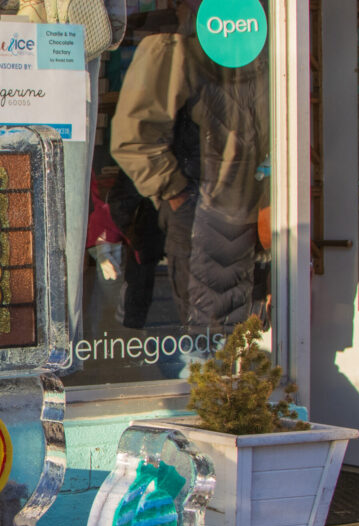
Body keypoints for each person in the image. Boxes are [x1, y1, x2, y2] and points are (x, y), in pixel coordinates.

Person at [109, 0, 270, 336]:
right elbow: (135, 137)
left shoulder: (264, 50)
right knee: (215, 342)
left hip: (255, 223)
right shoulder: (175, 50)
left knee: (253, 343)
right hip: (204, 219)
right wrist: (179, 197)